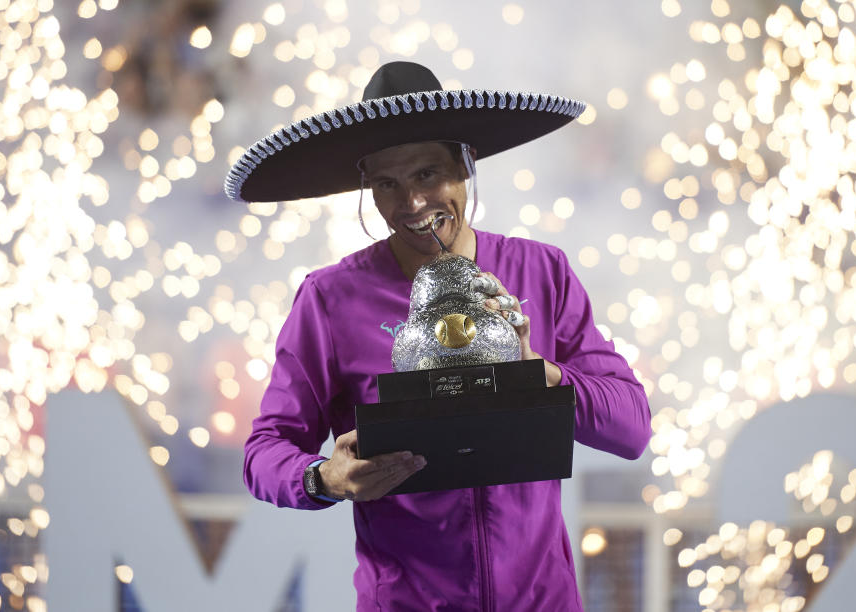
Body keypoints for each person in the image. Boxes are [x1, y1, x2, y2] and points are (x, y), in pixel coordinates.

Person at [227, 61, 652, 610]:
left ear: (464, 167)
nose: (411, 204)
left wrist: (539, 374)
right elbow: (265, 450)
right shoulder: (331, 299)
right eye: (387, 184)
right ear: (369, 191)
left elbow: (631, 427)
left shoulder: (541, 273)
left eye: (428, 174)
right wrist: (323, 478)